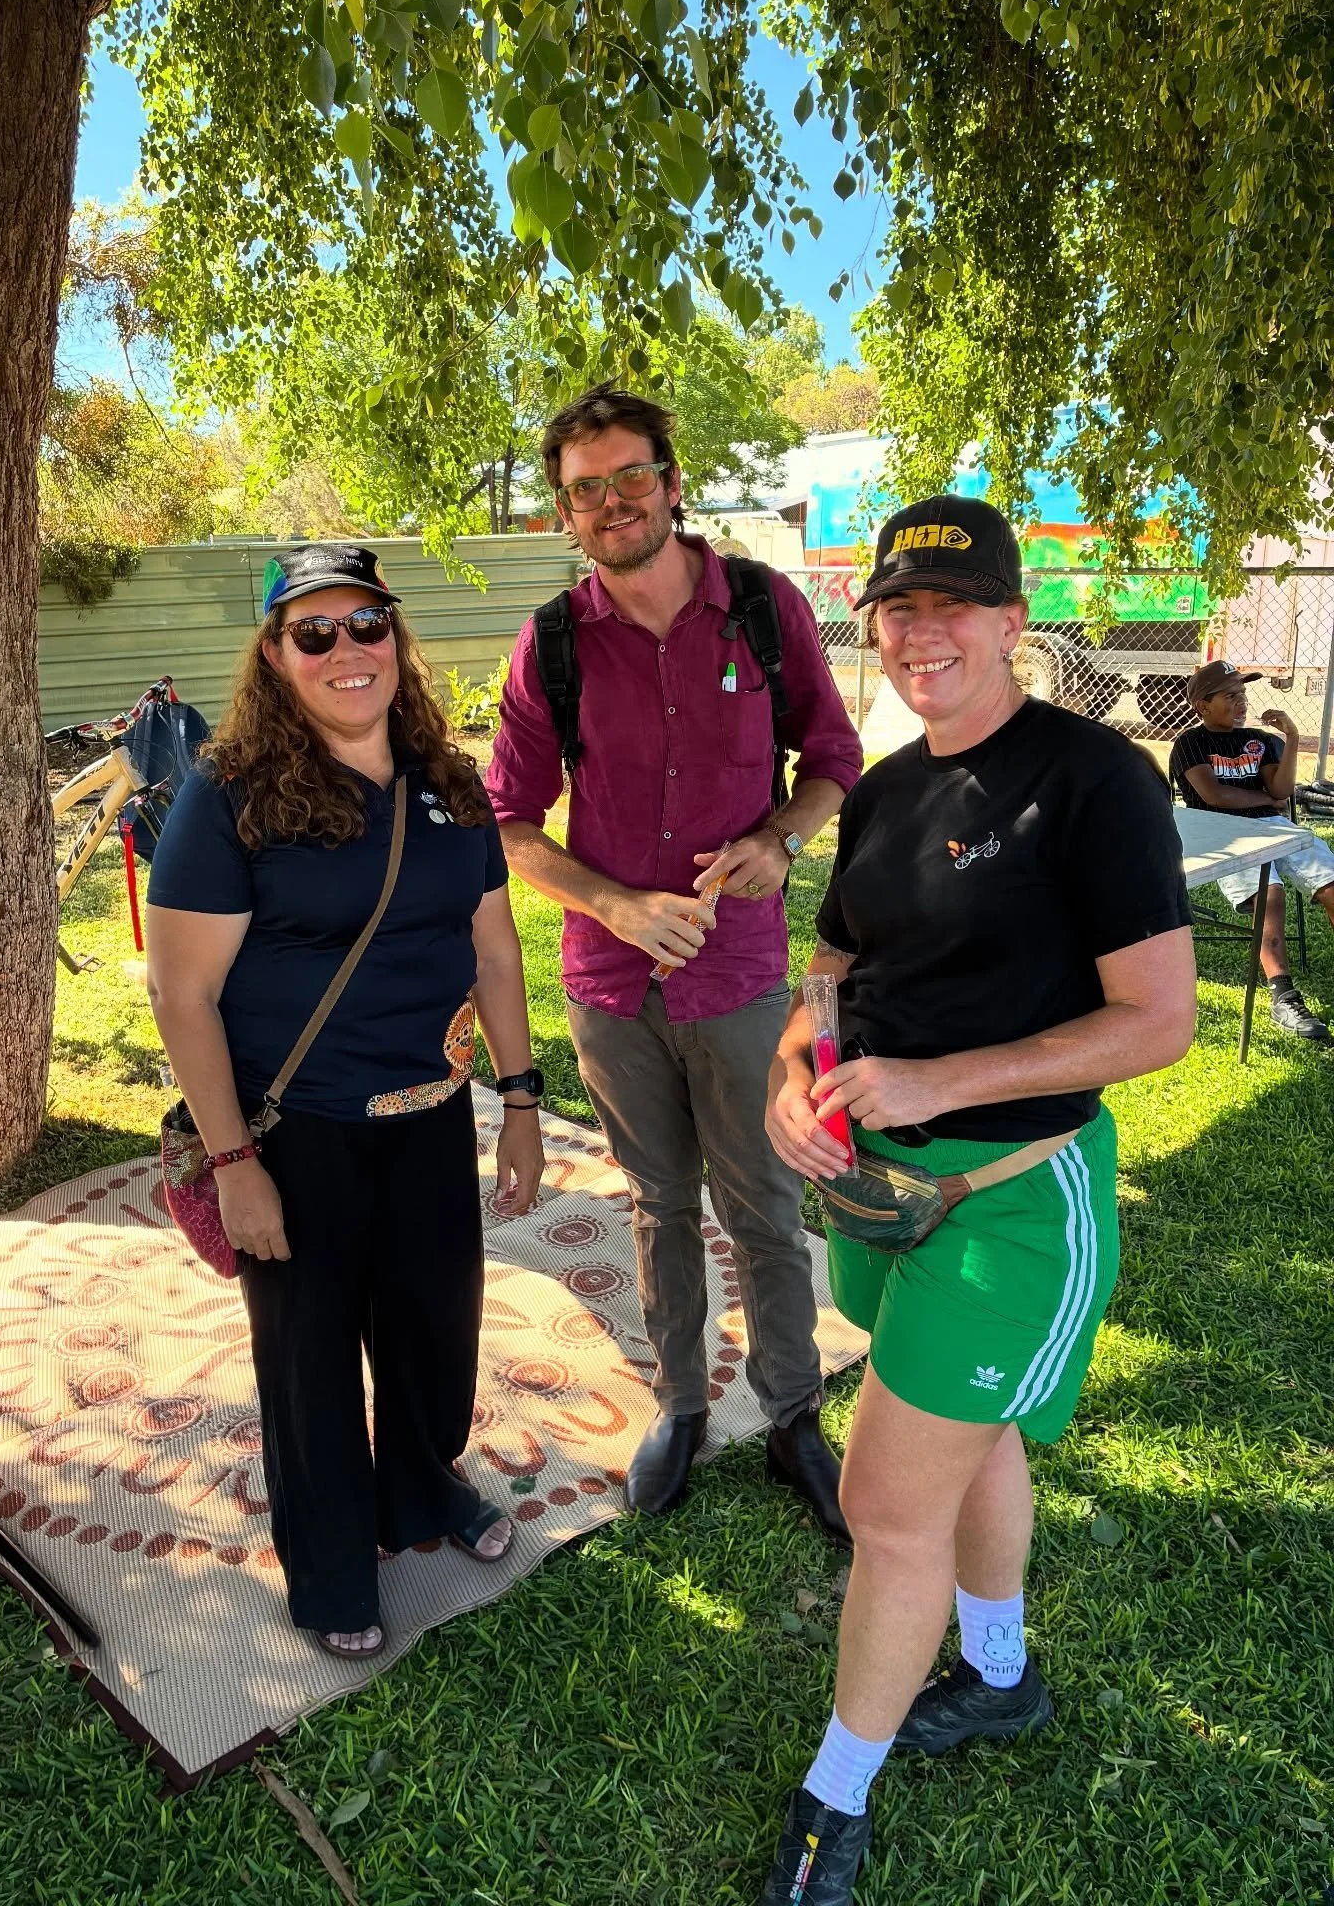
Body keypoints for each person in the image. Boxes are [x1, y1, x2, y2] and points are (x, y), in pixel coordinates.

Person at [758, 496, 1196, 1902]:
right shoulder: (883, 795)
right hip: (883, 1195)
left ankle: (836, 1800)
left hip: (1013, 1202)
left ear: (1015, 620)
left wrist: (937, 1084)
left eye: (955, 607)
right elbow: (828, 974)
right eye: (898, 609)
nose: (922, 634)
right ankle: (1000, 1677)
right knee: (971, 1433)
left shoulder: (1091, 779)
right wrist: (792, 1075)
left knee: (890, 1508)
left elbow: (1160, 1020)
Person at [146, 543, 545, 1662]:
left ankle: (422, 1489)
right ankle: (327, 1568)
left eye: (364, 625)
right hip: (297, 1130)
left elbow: (496, 953)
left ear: (394, 636)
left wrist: (519, 1098)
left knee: (434, 1328)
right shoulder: (229, 797)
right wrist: (235, 1164)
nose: (345, 651)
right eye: (312, 633)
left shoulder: (451, 783)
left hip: (430, 1112)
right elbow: (184, 993)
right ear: (275, 656)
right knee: (310, 1356)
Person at [485, 385, 864, 1539]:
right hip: (611, 988)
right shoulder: (549, 644)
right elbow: (505, 824)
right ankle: (680, 1405)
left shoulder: (762, 608)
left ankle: (794, 1413)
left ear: (671, 481)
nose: (610, 503)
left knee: (764, 1199)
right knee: (657, 1201)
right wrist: (614, 904)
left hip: (742, 974)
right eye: (585, 489)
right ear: (567, 512)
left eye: (629, 477)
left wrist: (777, 839)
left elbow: (835, 756)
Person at [1170, 659, 1334, 1040]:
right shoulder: (1191, 743)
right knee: (1269, 894)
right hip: (1224, 834)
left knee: (1330, 882)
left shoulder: (1260, 740)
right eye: (1230, 696)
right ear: (1203, 705)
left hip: (1276, 827)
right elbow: (1213, 795)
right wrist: (1263, 797)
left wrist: (1292, 738)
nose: (1241, 702)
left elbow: (1281, 792)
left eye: (1242, 694)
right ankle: (1284, 996)